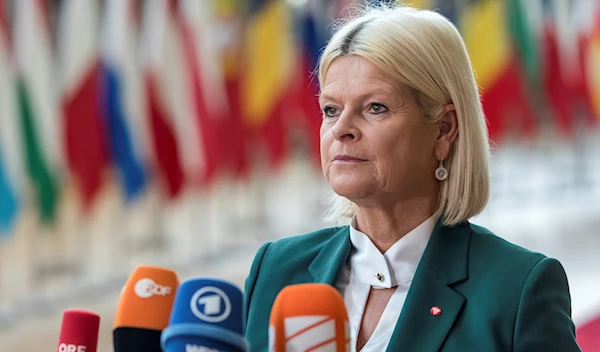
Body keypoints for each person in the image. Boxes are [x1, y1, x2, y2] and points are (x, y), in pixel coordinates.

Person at [243, 3, 581, 351]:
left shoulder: (518, 288)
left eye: (376, 107)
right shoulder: (276, 269)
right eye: (331, 110)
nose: (341, 129)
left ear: (443, 130)